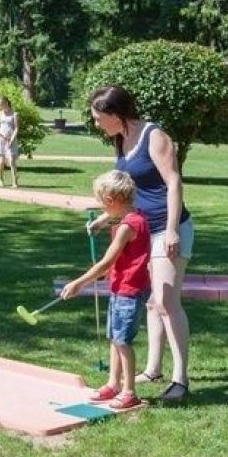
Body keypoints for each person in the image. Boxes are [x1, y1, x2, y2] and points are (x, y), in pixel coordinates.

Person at [87, 85, 194, 403]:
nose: (96, 124)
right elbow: (128, 193)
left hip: (168, 228)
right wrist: (108, 218)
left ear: (115, 114)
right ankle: (152, 369)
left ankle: (180, 380)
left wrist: (173, 229)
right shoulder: (120, 139)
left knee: (166, 302)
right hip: (143, 230)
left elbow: (173, 181)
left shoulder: (154, 135)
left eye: (98, 118)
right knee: (151, 302)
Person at [61, 170, 151, 410]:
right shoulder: (134, 216)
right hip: (122, 287)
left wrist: (79, 283)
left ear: (112, 200)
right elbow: (117, 217)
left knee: (123, 341)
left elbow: (105, 264)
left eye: (102, 202)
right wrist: (103, 221)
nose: (101, 207)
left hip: (129, 290)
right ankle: (113, 384)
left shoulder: (127, 227)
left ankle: (129, 391)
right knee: (115, 337)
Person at [0, 96, 20, 188]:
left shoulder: (14, 114)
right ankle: (0, 180)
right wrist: (1, 134)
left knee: (11, 160)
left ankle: (14, 182)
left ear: (6, 103)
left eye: (1, 105)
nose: (0, 107)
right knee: (1, 161)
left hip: (11, 139)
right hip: (1, 140)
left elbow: (16, 128)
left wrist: (12, 138)